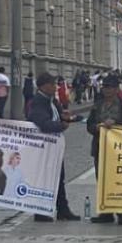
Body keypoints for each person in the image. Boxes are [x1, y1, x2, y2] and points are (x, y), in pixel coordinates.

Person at [28, 71, 81, 222]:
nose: (56, 87)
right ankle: (41, 211)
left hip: (54, 147)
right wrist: (60, 126)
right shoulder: (38, 101)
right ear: (44, 86)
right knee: (45, 178)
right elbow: (43, 123)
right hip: (44, 148)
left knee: (58, 178)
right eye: (52, 84)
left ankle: (62, 210)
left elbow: (56, 115)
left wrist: (65, 117)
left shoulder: (51, 100)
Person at [87, 74, 122, 224]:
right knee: (102, 180)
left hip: (119, 150)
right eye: (105, 87)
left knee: (119, 181)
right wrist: (96, 127)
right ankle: (106, 213)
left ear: (116, 89)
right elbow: (89, 125)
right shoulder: (98, 105)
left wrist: (116, 123)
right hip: (100, 147)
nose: (106, 90)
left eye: (109, 87)